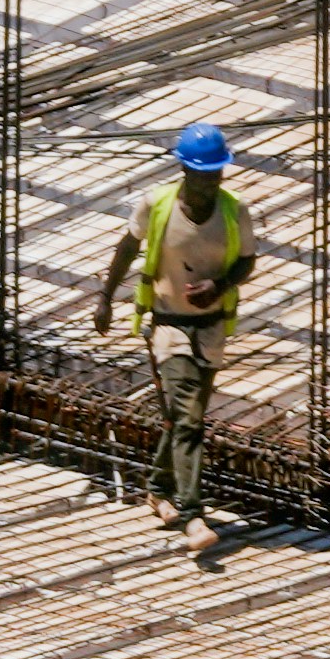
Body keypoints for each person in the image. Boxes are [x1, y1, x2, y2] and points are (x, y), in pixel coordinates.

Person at [91, 124, 257, 551]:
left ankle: (158, 487)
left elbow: (245, 262)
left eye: (217, 174)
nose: (211, 183)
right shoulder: (158, 204)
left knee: (185, 416)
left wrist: (218, 286)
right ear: (184, 169)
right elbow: (126, 248)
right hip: (168, 324)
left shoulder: (234, 210)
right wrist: (105, 298)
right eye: (203, 174)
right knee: (188, 419)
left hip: (212, 327)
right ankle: (192, 514)